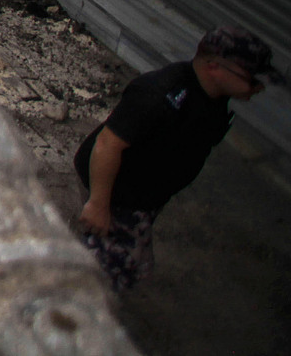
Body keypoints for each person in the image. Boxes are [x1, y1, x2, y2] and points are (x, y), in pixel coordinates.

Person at [74, 27, 277, 292]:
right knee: (104, 277)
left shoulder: (212, 96)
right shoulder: (159, 94)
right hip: (119, 196)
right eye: (252, 80)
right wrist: (99, 204)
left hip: (146, 197)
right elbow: (107, 144)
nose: (259, 88)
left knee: (133, 268)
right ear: (215, 67)